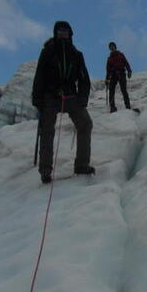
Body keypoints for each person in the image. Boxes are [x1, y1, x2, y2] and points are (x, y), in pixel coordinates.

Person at [32, 21, 94, 184]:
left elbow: (84, 79)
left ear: (70, 34)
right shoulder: (47, 52)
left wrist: (82, 98)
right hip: (50, 96)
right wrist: (37, 98)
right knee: (46, 131)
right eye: (60, 31)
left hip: (71, 97)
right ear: (55, 33)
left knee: (85, 123)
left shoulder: (76, 54)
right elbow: (39, 76)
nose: (62, 34)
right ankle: (45, 171)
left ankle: (81, 165)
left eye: (65, 31)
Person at [106, 41, 132, 112]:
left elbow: (126, 63)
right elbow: (108, 70)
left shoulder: (121, 55)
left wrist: (129, 71)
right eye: (110, 47)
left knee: (123, 90)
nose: (111, 47)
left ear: (115, 47)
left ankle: (128, 106)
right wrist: (107, 79)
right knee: (111, 90)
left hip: (121, 73)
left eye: (112, 46)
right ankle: (112, 107)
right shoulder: (109, 58)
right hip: (113, 74)